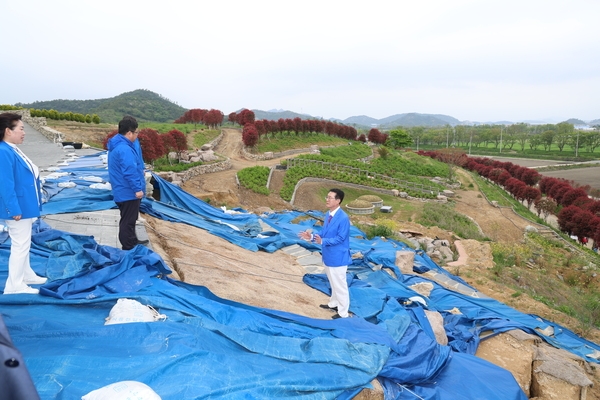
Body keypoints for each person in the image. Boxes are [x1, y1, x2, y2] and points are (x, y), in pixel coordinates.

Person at [0, 113, 47, 294]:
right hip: (17, 207)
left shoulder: (12, 148)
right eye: (20, 128)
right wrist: (13, 209)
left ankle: (26, 274)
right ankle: (14, 285)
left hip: (24, 205)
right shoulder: (4, 151)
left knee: (24, 243)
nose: (24, 132)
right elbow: (5, 184)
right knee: (20, 244)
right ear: (7, 131)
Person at [299, 189, 352, 319]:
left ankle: (343, 313)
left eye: (330, 197)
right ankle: (334, 303)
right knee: (333, 282)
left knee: (340, 285)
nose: (327, 199)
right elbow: (324, 232)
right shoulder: (328, 214)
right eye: (327, 197)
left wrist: (323, 241)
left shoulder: (343, 218)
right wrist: (311, 237)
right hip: (328, 255)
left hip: (338, 257)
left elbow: (340, 238)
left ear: (338, 201)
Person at [107, 116, 146, 250]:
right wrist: (137, 189)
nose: (137, 135)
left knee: (128, 219)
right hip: (128, 191)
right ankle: (128, 248)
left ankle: (132, 241)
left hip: (122, 190)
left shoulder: (117, 145)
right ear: (129, 133)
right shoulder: (124, 149)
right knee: (128, 221)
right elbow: (130, 171)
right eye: (136, 132)